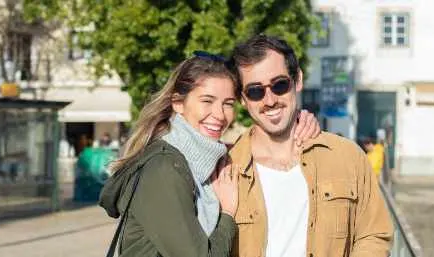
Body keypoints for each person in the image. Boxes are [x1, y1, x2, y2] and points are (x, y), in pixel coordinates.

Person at [98, 52, 321, 257]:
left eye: (228, 104)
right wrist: (227, 213)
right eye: (207, 101)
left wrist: (297, 123)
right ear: (178, 103)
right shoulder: (162, 168)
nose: (219, 115)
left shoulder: (202, 161)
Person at [226, 34, 392, 257]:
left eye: (279, 85)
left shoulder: (347, 156)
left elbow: (373, 234)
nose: (270, 100)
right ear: (243, 99)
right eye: (255, 91)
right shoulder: (225, 170)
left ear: (298, 80)